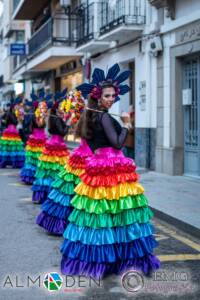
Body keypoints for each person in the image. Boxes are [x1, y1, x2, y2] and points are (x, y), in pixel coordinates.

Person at [60, 64, 160, 279]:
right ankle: (118, 259)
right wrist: (126, 124)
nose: (111, 99)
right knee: (120, 214)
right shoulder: (104, 117)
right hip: (111, 167)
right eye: (107, 95)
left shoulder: (91, 116)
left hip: (98, 167)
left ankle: (103, 260)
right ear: (97, 97)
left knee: (101, 216)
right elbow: (117, 143)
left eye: (114, 95)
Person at [32, 93, 69, 204]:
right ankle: (50, 194)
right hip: (56, 146)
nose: (64, 109)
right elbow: (63, 132)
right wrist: (69, 123)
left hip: (54, 144)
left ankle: (45, 194)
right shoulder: (56, 119)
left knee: (50, 171)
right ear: (57, 108)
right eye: (62, 106)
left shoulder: (56, 118)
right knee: (54, 171)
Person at [20, 94, 47, 184]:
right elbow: (39, 125)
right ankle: (32, 177)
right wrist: (42, 117)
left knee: (38, 158)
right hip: (36, 139)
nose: (43, 108)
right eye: (41, 107)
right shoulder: (36, 116)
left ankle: (37, 176)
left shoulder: (39, 116)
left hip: (41, 138)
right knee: (35, 158)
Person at [0, 98, 25, 168]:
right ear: (13, 107)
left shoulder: (12, 113)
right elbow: (14, 122)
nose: (17, 107)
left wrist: (19, 117)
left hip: (12, 130)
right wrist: (17, 118)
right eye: (16, 106)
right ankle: (10, 162)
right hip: (11, 131)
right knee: (11, 148)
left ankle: (13, 162)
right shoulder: (10, 113)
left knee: (12, 148)